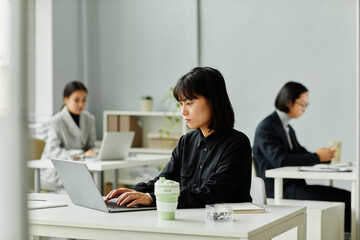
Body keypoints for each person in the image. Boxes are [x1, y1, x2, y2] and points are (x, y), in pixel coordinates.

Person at [105, 67, 252, 208]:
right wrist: (136, 191)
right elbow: (164, 181)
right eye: (181, 104)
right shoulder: (186, 142)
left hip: (226, 225)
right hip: (189, 221)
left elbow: (211, 193)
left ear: (213, 102)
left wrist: (152, 198)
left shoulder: (237, 144)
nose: (183, 111)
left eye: (189, 103)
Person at [253, 81, 351, 232]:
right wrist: (318, 157)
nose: (304, 110)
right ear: (288, 102)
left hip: (293, 186)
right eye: (302, 105)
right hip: (279, 189)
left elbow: (300, 153)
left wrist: (323, 155)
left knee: (347, 196)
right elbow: (281, 160)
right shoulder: (267, 127)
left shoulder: (287, 128)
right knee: (346, 198)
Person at [40, 81, 98, 191]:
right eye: (76, 100)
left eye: (84, 100)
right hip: (55, 172)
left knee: (92, 191)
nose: (81, 104)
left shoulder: (89, 119)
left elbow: (91, 145)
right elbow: (53, 151)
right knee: (82, 193)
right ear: (66, 100)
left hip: (79, 171)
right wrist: (82, 154)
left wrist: (95, 152)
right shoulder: (55, 121)